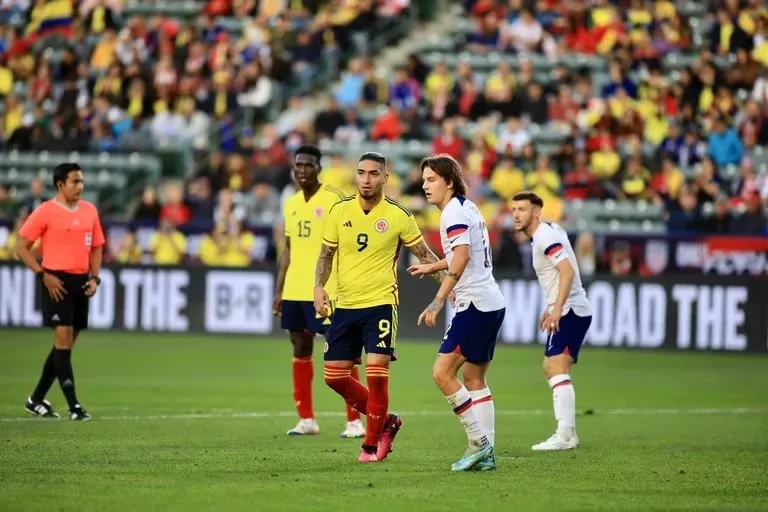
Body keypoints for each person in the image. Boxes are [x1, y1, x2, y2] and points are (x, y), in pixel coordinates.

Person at [314, 152, 444, 463]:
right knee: (333, 376)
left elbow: (425, 255)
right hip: (345, 305)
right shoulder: (339, 211)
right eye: (361, 173)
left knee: (376, 374)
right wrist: (318, 287)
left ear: (385, 178)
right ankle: (387, 421)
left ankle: (370, 447)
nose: (366, 179)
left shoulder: (399, 216)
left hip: (381, 304)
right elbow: (325, 255)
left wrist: (447, 287)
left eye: (374, 173)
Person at [408, 154, 505, 472]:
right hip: (491, 302)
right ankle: (486, 453)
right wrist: (433, 265)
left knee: (441, 373)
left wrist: (439, 298)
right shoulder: (467, 207)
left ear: (449, 181)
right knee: (474, 378)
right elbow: (463, 255)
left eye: (432, 179)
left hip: (475, 304)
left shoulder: (452, 213)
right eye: (423, 180)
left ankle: (479, 443)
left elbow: (462, 257)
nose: (425, 185)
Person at [273, 145, 366, 438]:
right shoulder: (290, 202)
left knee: (342, 352)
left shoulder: (334, 199)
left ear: (319, 169)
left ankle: (354, 421)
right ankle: (306, 420)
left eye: (308, 166)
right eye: (298, 165)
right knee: (300, 348)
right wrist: (280, 289)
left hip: (326, 289)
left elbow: (347, 242)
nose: (302, 171)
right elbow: (288, 249)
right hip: (294, 289)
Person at [15, 163, 106, 421]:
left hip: (80, 282)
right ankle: (74, 406)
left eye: (82, 181)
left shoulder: (90, 211)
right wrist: (43, 275)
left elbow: (97, 247)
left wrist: (95, 278)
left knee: (63, 348)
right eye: (75, 181)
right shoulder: (45, 211)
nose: (80, 186)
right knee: (63, 342)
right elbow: (21, 247)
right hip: (56, 281)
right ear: (60, 185)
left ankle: (35, 399)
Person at [509, 191, 593, 451]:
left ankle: (564, 436)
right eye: (513, 210)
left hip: (571, 311)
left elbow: (567, 270)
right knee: (551, 367)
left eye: (522, 209)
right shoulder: (548, 232)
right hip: (567, 307)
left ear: (536, 212)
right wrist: (551, 306)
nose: (516, 215)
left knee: (556, 368)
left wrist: (557, 307)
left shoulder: (544, 237)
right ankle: (569, 434)